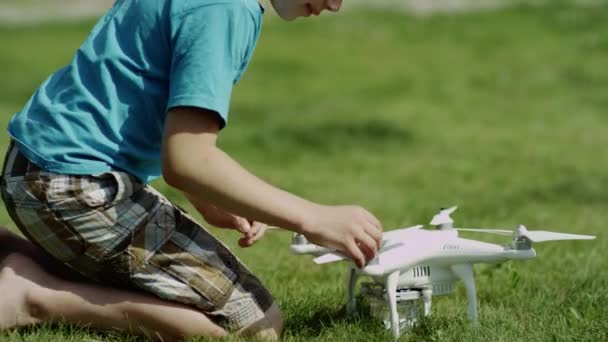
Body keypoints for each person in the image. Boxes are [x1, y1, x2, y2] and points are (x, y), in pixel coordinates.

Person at [0, 0, 383, 340]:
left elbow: (148, 90)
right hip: (78, 190)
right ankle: (33, 298)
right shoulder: (226, 10)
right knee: (254, 324)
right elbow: (188, 161)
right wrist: (314, 217)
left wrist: (205, 194)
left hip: (33, 168)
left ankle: (11, 252)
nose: (336, 5)